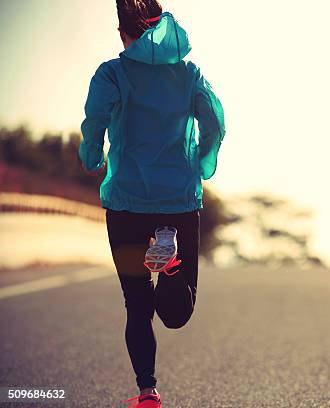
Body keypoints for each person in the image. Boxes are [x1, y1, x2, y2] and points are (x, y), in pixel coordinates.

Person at [78, 1, 225, 406]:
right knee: (177, 313)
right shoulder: (189, 74)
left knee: (137, 302)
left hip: (126, 207)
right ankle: (172, 265)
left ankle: (147, 392)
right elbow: (215, 122)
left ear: (124, 33)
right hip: (177, 204)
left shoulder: (112, 72)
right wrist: (203, 161)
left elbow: (95, 120)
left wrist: (92, 156)